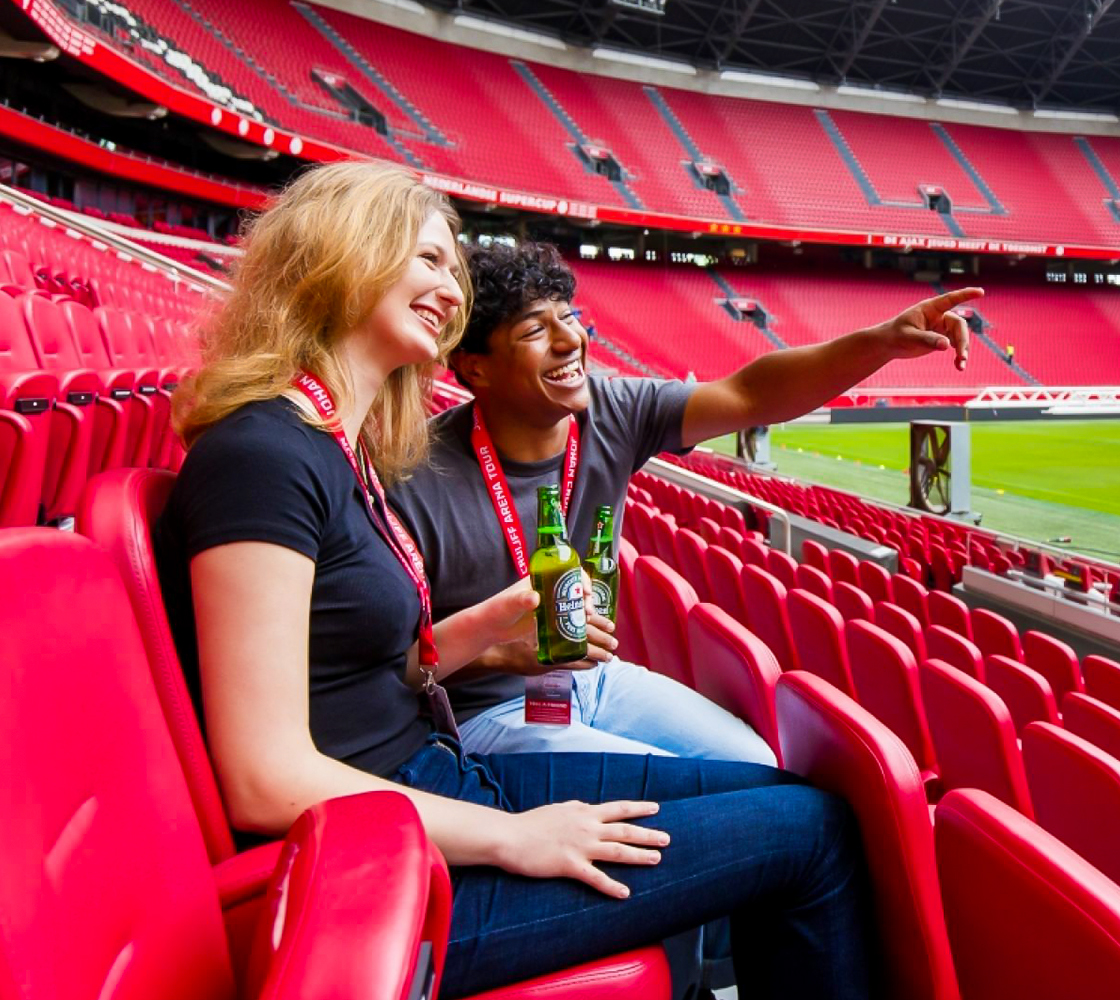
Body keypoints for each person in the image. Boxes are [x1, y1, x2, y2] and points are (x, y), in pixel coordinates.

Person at [153, 161, 875, 1000]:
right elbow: (262, 775)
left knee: (787, 794)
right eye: (426, 259)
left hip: (425, 785)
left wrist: (474, 637)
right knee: (813, 833)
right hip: (371, 866)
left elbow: (344, 676)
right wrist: (509, 836)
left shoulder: (335, 448)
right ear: (341, 253)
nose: (448, 286)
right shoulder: (261, 456)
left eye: (450, 268)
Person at [392, 241, 981, 760]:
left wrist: (879, 343)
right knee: (667, 792)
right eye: (534, 331)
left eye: (568, 318)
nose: (571, 340)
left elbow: (749, 393)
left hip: (596, 679)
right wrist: (500, 652)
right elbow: (384, 665)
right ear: (474, 368)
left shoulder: (615, 409)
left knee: (752, 763)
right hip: (488, 713)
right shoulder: (414, 477)